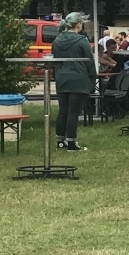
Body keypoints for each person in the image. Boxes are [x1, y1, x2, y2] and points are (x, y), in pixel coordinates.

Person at [51, 12, 96, 151]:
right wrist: (93, 79)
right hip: (79, 79)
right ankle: (71, 142)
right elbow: (89, 61)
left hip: (62, 79)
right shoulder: (82, 40)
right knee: (73, 113)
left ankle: (60, 141)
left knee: (63, 111)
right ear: (78, 24)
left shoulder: (57, 40)